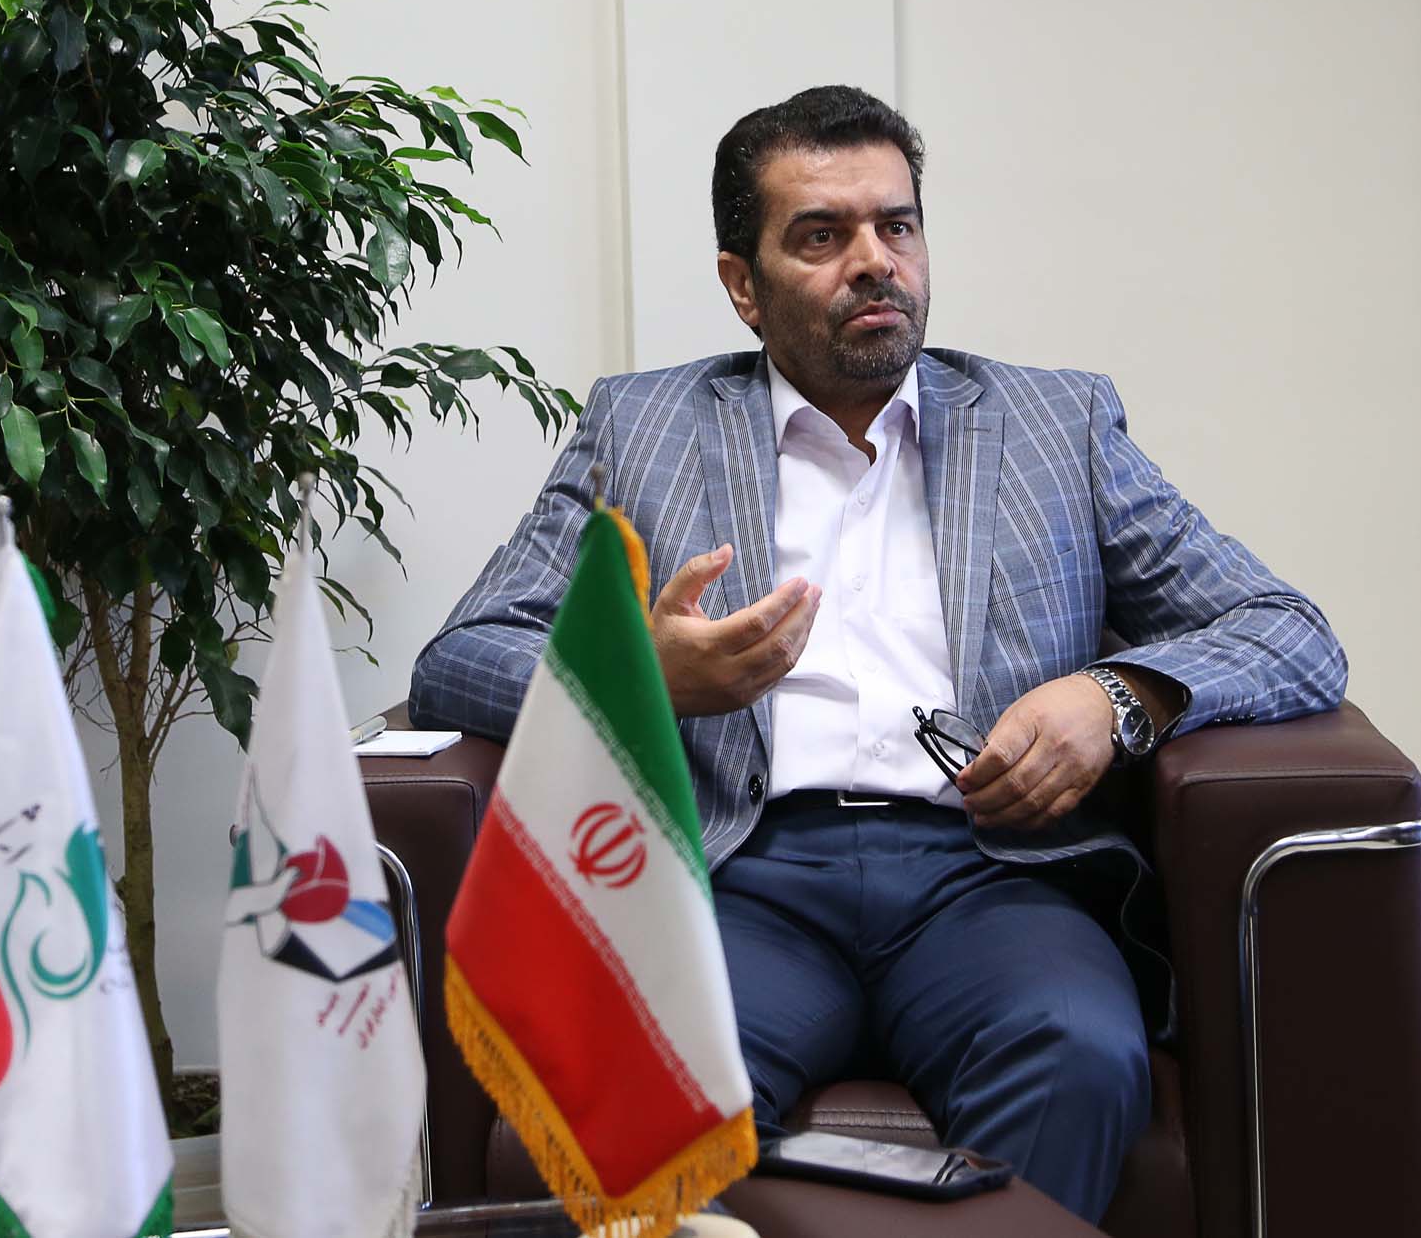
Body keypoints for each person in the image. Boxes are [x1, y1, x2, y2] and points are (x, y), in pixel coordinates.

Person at [406, 84, 1346, 1222]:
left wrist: (1117, 695)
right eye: (821, 236)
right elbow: (460, 654)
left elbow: (1287, 629)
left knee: (1078, 1053)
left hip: (991, 878)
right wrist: (637, 679)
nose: (873, 261)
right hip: (738, 874)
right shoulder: (641, 425)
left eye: (895, 225)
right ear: (742, 285)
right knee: (643, 1085)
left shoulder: (1057, 425)